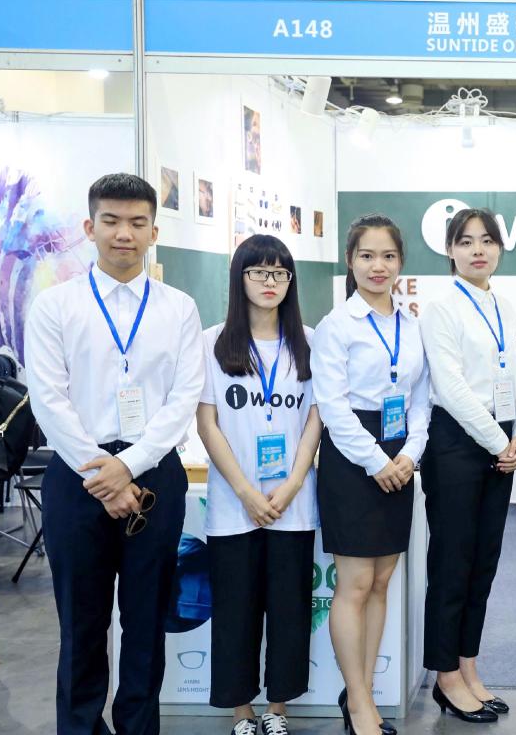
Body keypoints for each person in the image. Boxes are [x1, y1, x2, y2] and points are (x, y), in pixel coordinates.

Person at [25, 173, 204, 735]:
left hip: (156, 475)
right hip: (77, 475)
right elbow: (48, 398)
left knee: (147, 621)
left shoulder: (179, 308)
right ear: (90, 227)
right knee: (81, 622)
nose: (123, 233)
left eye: (136, 222)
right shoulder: (55, 306)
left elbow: (184, 397)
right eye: (111, 220)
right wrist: (102, 472)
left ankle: (138, 728)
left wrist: (129, 465)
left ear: (154, 232)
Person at [196, 234, 321, 735]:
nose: (270, 282)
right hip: (234, 506)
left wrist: (293, 483)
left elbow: (315, 418)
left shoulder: (308, 341)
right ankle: (241, 712)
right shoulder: (211, 342)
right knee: (236, 611)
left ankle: (278, 709)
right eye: (259, 271)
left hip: (293, 502)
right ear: (239, 277)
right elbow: (208, 424)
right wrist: (246, 492)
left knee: (289, 610)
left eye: (280, 273)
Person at [311, 214, 431, 735]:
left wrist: (410, 455)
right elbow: (333, 408)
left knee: (383, 581)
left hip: (400, 454)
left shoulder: (411, 324)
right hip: (352, 457)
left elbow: (422, 398)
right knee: (356, 583)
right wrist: (376, 461)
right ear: (350, 261)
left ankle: (362, 691)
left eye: (387, 256)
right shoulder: (337, 326)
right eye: (366, 256)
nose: (377, 266)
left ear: (400, 262)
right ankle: (359, 702)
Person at [418, 208, 516, 723]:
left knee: (483, 562)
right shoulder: (441, 309)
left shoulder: (506, 306)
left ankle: (468, 666)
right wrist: (499, 442)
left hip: (500, 442)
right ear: (450, 250)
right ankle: (445, 677)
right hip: (457, 445)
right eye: (466, 242)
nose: (478, 250)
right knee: (452, 562)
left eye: (487, 241)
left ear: (500, 248)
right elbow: (451, 387)